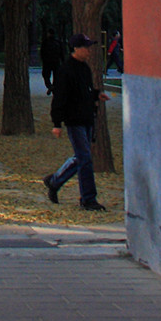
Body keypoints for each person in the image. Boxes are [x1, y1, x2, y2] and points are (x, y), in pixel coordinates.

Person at [44, 33, 109, 210]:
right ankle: (88, 198)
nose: (89, 51)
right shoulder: (66, 70)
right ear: (77, 49)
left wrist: (96, 95)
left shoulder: (84, 68)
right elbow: (60, 98)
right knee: (85, 158)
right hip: (74, 120)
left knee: (82, 157)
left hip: (87, 117)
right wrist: (57, 123)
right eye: (86, 47)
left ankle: (55, 181)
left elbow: (85, 90)